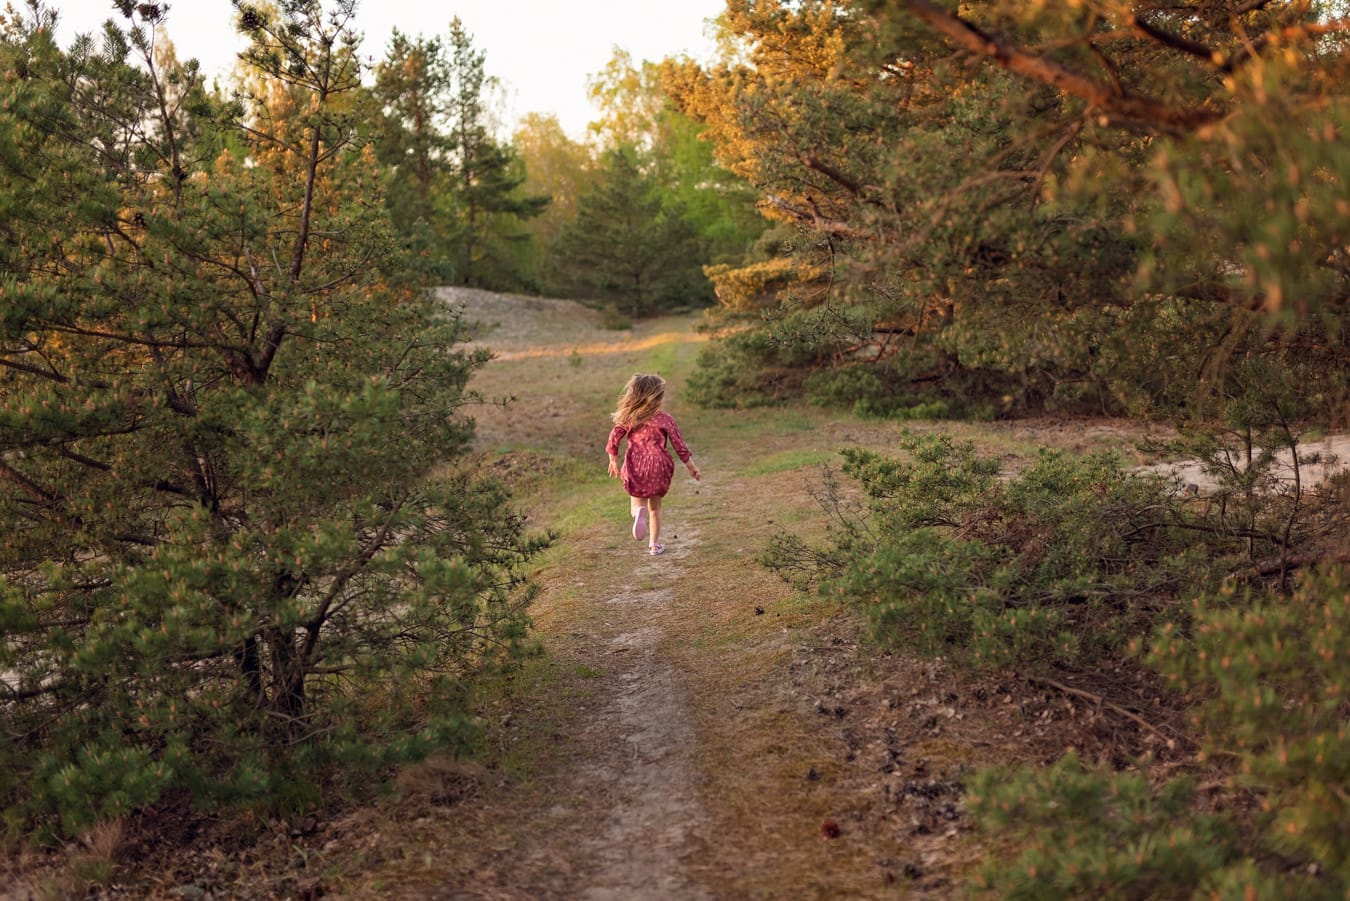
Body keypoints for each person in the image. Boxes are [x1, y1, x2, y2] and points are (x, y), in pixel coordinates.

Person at [605, 373, 700, 556]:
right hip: (659, 464)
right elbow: (679, 444)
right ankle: (654, 546)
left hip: (636, 463)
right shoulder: (665, 419)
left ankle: (637, 513)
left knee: (637, 502)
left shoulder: (630, 418)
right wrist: (691, 466)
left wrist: (613, 459)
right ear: (657, 399)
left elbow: (614, 437)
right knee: (655, 509)